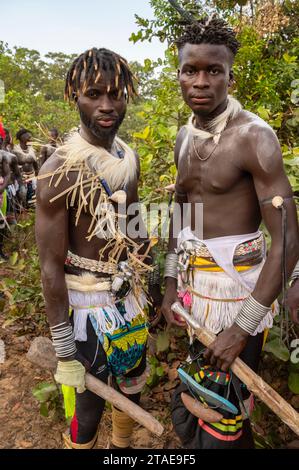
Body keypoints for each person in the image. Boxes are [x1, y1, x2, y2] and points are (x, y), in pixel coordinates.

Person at [161, 16, 299, 449]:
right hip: (194, 295)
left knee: (226, 416)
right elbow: (182, 210)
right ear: (179, 74)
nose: (200, 82)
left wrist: (243, 327)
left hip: (240, 296)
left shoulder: (253, 137)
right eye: (190, 70)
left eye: (213, 71)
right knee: (200, 402)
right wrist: (170, 285)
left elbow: (288, 237)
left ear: (230, 76)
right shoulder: (185, 136)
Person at [36, 47, 161, 449]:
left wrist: (152, 287)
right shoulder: (60, 169)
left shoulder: (128, 158)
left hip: (130, 300)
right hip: (86, 307)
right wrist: (64, 346)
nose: (107, 105)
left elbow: (136, 225)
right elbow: (51, 266)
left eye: (116, 94)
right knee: (89, 409)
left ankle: (121, 453)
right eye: (94, 94)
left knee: (131, 391)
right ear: (76, 96)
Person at [13, 128, 38, 208]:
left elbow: (35, 164)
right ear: (21, 137)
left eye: (29, 136)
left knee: (32, 199)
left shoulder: (32, 149)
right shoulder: (15, 150)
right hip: (21, 177)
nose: (29, 137)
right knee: (21, 196)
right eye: (27, 136)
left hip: (32, 176)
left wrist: (38, 174)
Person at [0, 151, 11, 259]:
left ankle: (0, 251)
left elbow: (7, 173)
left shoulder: (2, 156)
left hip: (0, 193)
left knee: (1, 222)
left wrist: (2, 188)